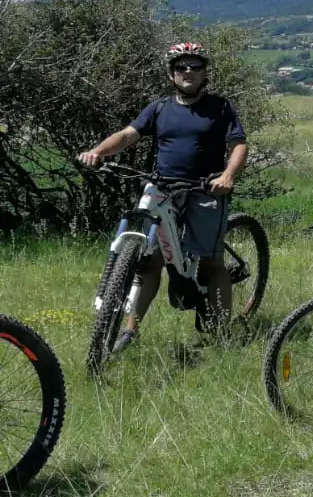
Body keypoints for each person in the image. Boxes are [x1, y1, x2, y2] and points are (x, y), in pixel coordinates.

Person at [77, 42, 248, 347]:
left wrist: (227, 176)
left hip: (204, 189)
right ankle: (130, 330)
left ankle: (222, 335)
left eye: (195, 66)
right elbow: (128, 135)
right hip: (162, 187)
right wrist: (98, 152)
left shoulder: (220, 108)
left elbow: (238, 145)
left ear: (204, 74)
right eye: (181, 67)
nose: (188, 72)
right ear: (172, 75)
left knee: (212, 263)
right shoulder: (159, 108)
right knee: (149, 261)